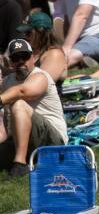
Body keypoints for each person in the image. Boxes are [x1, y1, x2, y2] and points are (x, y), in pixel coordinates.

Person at [0, 38, 66, 177]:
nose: (21, 61)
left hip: (52, 140)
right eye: (16, 58)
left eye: (24, 56)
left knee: (19, 104)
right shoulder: (7, 82)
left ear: (33, 58)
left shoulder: (40, 76)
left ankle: (20, 164)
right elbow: (5, 123)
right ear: (11, 61)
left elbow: (22, 91)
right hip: (21, 141)